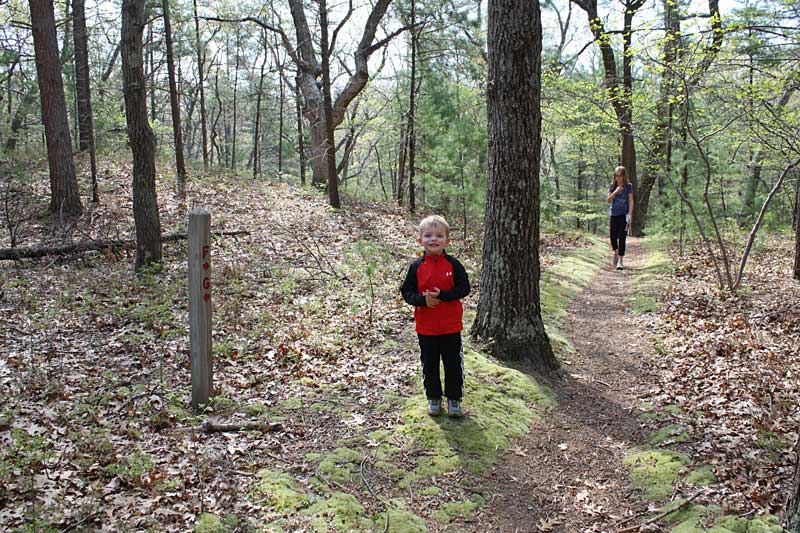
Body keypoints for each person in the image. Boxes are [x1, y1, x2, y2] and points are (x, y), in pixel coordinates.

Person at [400, 215, 470, 417]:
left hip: (450, 326)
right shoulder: (416, 266)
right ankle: (433, 398)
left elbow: (465, 288)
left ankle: (454, 399)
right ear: (420, 240)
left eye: (439, 235)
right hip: (426, 327)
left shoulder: (453, 264)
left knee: (453, 364)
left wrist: (444, 296)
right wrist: (423, 301)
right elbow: (406, 292)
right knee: (429, 364)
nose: (433, 239)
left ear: (447, 241)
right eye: (428, 235)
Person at [607, 165, 634, 270]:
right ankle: (615, 252)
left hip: (624, 215)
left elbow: (631, 201)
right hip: (614, 214)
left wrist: (630, 214)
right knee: (613, 237)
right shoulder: (612, 186)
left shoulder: (628, 186)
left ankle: (620, 260)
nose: (618, 178)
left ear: (624, 176)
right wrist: (616, 191)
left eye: (620, 176)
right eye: (616, 176)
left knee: (622, 237)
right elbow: (608, 200)